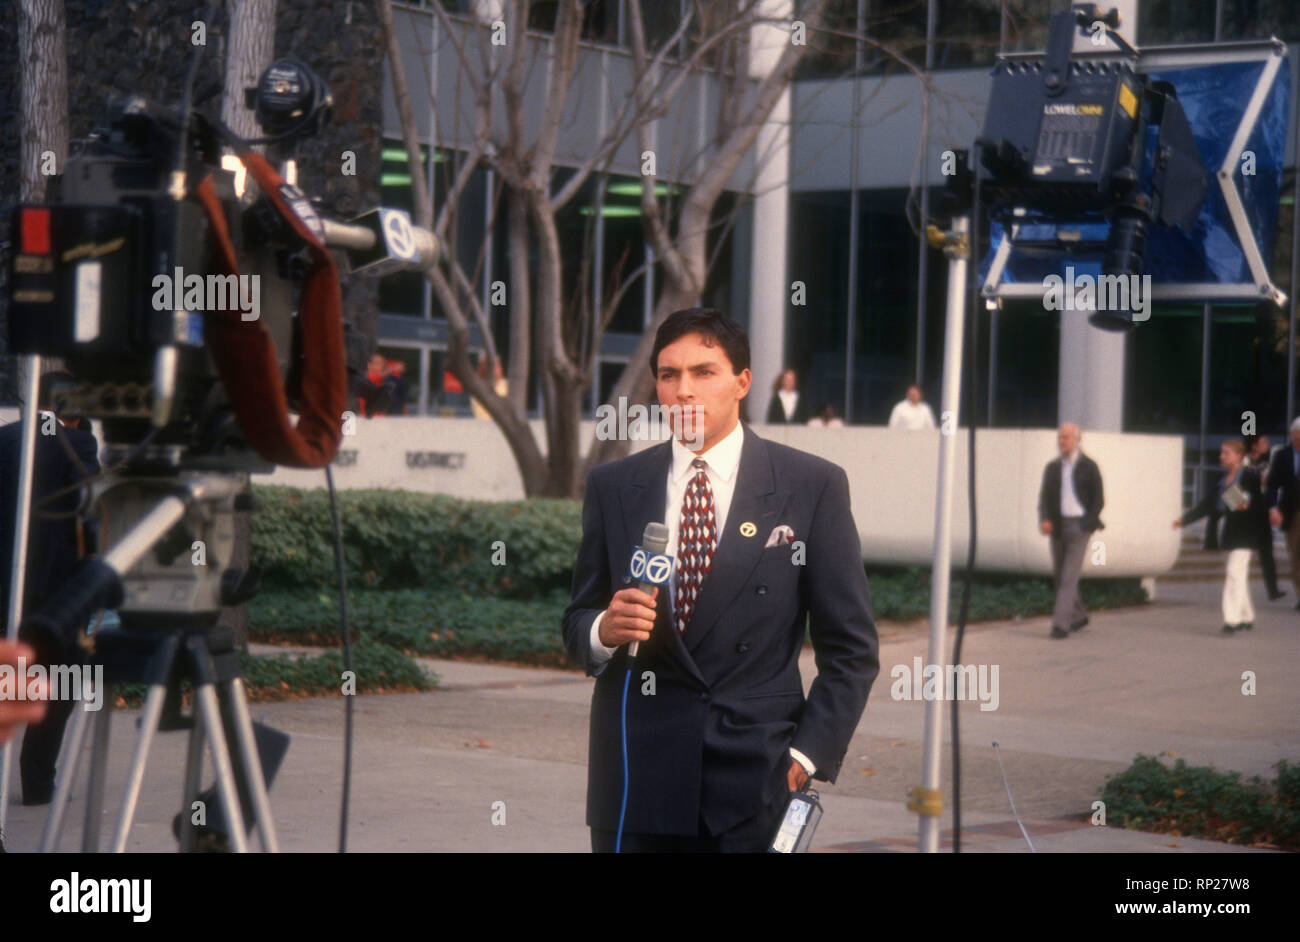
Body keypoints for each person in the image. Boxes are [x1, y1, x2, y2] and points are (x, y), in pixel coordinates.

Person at [562, 308, 879, 853]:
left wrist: (804, 759)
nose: (683, 390)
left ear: (742, 382)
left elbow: (851, 649)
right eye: (668, 375)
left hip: (754, 783)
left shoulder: (810, 485)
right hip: (635, 780)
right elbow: (577, 620)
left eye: (703, 372)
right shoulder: (614, 485)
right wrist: (603, 631)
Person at [0, 372, 101, 804]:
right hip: (54, 592)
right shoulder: (77, 444)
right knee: (62, 681)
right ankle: (38, 782)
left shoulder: (5, 437)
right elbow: (92, 515)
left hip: (5, 583)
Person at [1175, 439, 1261, 633]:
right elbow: (1207, 505)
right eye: (1221, 453)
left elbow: (1257, 504)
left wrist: (1246, 505)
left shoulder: (1249, 477)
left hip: (1246, 533)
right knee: (1238, 575)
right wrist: (1184, 520)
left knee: (1233, 572)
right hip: (1228, 532)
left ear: (1239, 456)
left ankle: (1232, 620)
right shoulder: (1222, 481)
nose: (1222, 456)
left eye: (1226, 453)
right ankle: (1247, 616)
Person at [1037, 422, 1104, 639]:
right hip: (1058, 525)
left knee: (1068, 577)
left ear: (1077, 440)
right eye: (1060, 437)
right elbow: (1044, 498)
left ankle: (1060, 625)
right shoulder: (1053, 468)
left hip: (1079, 527)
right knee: (1059, 575)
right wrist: (1045, 518)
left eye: (1066, 437)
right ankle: (1079, 615)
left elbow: (1098, 500)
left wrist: (1087, 522)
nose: (1062, 442)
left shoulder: (1089, 466)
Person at [1265, 417, 1300, 609]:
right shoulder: (1283, 455)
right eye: (1296, 438)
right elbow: (1272, 485)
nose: (1298, 442)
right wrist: (1273, 508)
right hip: (1292, 512)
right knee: (1295, 555)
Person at [1245, 434, 1284, 600]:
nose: (1267, 444)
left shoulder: (1269, 462)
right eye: (1263, 442)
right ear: (1254, 445)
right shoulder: (1243, 461)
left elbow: (1270, 485)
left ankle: (1273, 590)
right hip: (1245, 513)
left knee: (1267, 552)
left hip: (1262, 512)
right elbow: (1232, 486)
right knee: (1244, 553)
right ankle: (1243, 589)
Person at [470, 355, 508, 420]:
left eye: (498, 366)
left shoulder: (507, 385)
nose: (498, 369)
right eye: (494, 367)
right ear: (484, 369)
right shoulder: (478, 390)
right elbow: (482, 417)